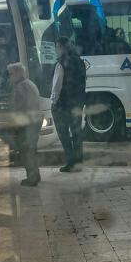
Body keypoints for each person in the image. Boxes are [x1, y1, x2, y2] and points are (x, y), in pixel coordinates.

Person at [51, 36, 86, 172]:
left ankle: (70, 162)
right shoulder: (80, 61)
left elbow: (57, 85)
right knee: (77, 133)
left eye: (57, 47)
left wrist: (54, 102)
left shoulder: (61, 64)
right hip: (77, 103)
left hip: (63, 105)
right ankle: (78, 162)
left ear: (60, 47)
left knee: (64, 134)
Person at [6, 63, 42, 186]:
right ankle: (35, 175)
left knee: (26, 151)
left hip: (27, 123)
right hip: (35, 120)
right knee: (31, 150)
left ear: (17, 73)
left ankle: (32, 178)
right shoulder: (30, 84)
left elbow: (19, 108)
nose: (9, 77)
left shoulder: (20, 87)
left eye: (10, 74)